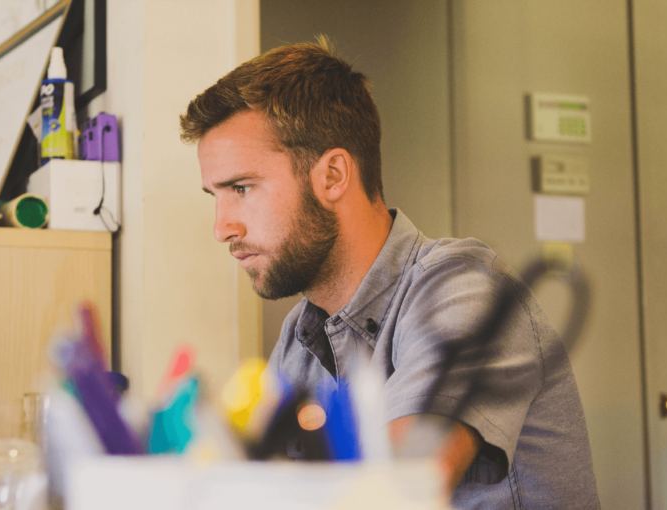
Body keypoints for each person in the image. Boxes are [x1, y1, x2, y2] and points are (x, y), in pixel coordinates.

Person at [180, 38, 599, 508]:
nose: (222, 228)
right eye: (214, 196)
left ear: (334, 176)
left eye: (241, 188)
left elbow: (396, 493)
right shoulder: (299, 338)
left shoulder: (465, 289)